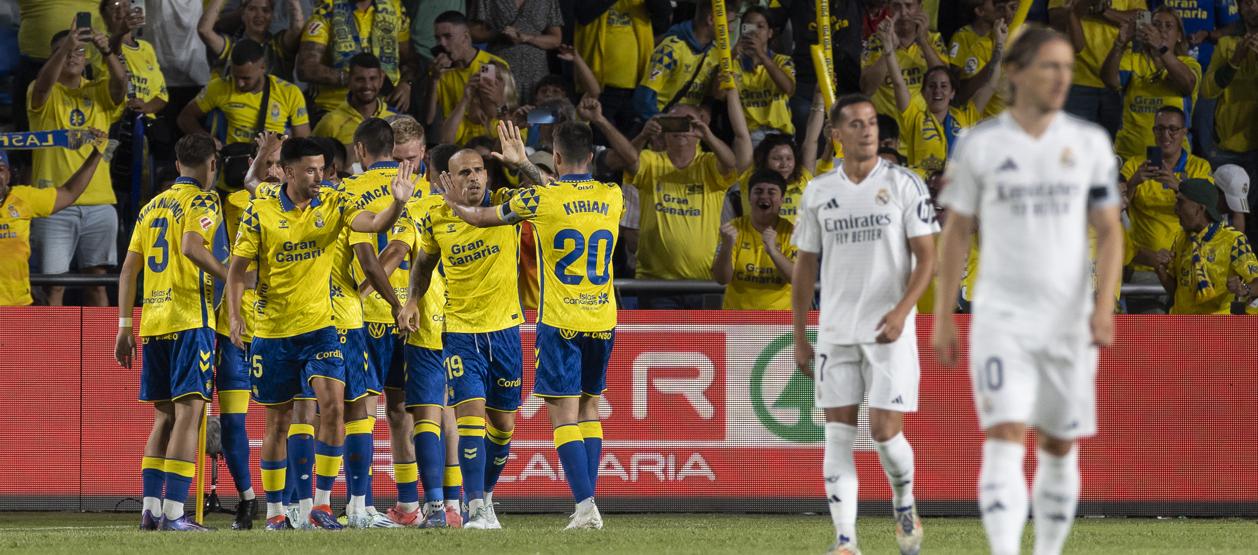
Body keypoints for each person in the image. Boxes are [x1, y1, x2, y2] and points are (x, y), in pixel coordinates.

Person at [932, 27, 1125, 555]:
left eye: (1067, 67)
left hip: (1068, 319)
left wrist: (1103, 305)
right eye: (1050, 66)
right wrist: (945, 313)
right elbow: (955, 231)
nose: (1063, 77)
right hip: (1001, 318)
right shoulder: (979, 144)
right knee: (1006, 435)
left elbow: (1111, 232)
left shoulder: (1087, 143)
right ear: (1015, 74)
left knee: (1059, 444)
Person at [435, 119, 621, 529]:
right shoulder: (613, 194)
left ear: (554, 157)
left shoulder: (541, 201)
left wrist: (454, 206)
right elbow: (565, 190)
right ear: (590, 157)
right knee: (589, 409)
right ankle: (589, 504)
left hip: (561, 320)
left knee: (564, 416)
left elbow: (481, 218)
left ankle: (585, 505)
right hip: (604, 318)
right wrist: (524, 166)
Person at [225, 137, 412, 530]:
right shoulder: (260, 209)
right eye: (310, 170)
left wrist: (397, 203)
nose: (319, 176)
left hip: (323, 327)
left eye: (323, 169)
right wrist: (234, 317)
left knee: (333, 406)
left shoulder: (335, 200)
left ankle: (321, 506)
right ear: (289, 172)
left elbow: (375, 225)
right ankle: (276, 511)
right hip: (274, 330)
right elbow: (237, 269)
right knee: (278, 423)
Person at [791, 94, 937, 555]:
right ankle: (845, 540)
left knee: (884, 432)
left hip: (889, 332)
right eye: (855, 123)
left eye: (872, 122)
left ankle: (904, 499)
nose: (867, 130)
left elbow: (927, 257)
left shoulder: (905, 184)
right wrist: (800, 333)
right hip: (836, 330)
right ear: (837, 134)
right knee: (837, 433)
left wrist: (902, 311)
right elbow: (805, 268)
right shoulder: (818, 191)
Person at [395, 146, 521, 530]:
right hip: (461, 332)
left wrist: (521, 165)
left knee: (502, 427)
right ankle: (476, 507)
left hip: (504, 329)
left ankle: (486, 496)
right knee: (468, 419)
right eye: (464, 172)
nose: (474, 178)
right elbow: (424, 262)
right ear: (446, 180)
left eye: (479, 170)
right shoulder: (436, 217)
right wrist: (413, 299)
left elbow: (550, 194)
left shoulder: (506, 205)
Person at [114, 134, 227, 532]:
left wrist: (125, 325)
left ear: (178, 163)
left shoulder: (150, 207)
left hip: (154, 321)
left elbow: (128, 269)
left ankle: (150, 510)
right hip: (189, 318)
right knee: (189, 416)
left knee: (162, 417)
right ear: (212, 164)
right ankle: (176, 513)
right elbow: (193, 247)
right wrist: (232, 275)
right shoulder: (203, 201)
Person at [607, 80, 753, 308]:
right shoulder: (650, 161)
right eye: (673, 123)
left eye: (688, 123)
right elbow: (628, 158)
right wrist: (643, 136)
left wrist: (708, 135)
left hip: (704, 281)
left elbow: (731, 162)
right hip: (656, 285)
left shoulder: (708, 164)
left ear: (698, 131)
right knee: (662, 346)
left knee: (705, 345)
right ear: (663, 131)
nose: (681, 129)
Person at [28, 25, 127, 307]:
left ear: (87, 59)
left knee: (98, 283)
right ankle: (53, 350)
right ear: (54, 56)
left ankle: (102, 351)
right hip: (54, 203)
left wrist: (107, 51)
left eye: (79, 51)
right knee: (54, 287)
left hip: (100, 203)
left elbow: (121, 87)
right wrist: (66, 46)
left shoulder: (99, 92)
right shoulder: (40, 91)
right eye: (65, 51)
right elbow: (44, 85)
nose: (73, 56)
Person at [1120, 106, 1212, 298]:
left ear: (1184, 133)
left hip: (1191, 266)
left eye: (1173, 129)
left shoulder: (1199, 167)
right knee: (1153, 327)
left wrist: (1179, 186)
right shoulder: (1134, 166)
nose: (1165, 135)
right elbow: (1115, 208)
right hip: (1146, 267)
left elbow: (1208, 212)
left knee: (1189, 327)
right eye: (1159, 129)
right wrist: (1133, 183)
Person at [0, 143, 105, 307]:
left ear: (8, 175)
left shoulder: (23, 197)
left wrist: (96, 156)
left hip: (16, 304)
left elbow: (70, 192)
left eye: (0, 169)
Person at [1100, 6, 1201, 160]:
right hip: (1130, 156)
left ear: (1179, 36)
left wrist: (1161, 47)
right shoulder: (1132, 60)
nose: (1161, 30)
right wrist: (1119, 44)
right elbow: (1110, 81)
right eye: (1156, 24)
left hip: (1171, 158)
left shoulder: (1188, 64)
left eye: (1169, 26)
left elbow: (1187, 84)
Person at [179, 39, 311, 145]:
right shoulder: (220, 88)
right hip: (234, 167)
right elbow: (185, 118)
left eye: (246, 78)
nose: (239, 83)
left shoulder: (289, 93)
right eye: (235, 76)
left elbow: (303, 141)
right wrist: (209, 141)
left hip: (272, 169)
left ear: (263, 68)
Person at [1155, 178, 1258, 313]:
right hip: (1182, 326)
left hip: (1216, 328)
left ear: (1200, 208)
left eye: (1180, 202)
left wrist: (1244, 288)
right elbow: (1177, 291)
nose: (1176, 209)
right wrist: (1161, 271)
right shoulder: (1181, 238)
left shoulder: (1233, 240)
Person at [298, 0, 416, 116]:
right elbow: (306, 68)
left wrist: (406, 84)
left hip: (386, 108)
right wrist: (355, 80)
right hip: (335, 109)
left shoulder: (394, 7)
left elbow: (409, 60)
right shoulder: (327, 8)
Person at [1202, 0, 1258, 241]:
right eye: (1246, 2)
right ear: (1238, 7)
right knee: (1227, 214)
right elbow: (1207, 90)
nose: (1252, 7)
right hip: (1229, 145)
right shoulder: (1226, 44)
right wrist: (1235, 60)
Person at [1050, 0, 1147, 138]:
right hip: (1077, 79)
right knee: (1073, 149)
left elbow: (1144, 21)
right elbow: (1055, 20)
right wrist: (1084, 7)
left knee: (1116, 149)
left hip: (1119, 80)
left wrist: (1102, 12)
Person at [573, 0, 671, 134]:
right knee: (598, 143)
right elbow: (583, 14)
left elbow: (663, 19)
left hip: (636, 88)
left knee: (628, 145)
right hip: (597, 89)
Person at [894, 63, 1000, 179]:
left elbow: (991, 86)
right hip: (924, 191)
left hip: (956, 190)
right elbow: (898, 84)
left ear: (952, 93)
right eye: (932, 86)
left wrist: (997, 58)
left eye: (944, 86)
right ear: (923, 93)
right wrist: (889, 54)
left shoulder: (966, 116)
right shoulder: (914, 118)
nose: (937, 91)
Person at [715, 170, 796, 310]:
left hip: (781, 321)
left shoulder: (792, 232)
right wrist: (727, 247)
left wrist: (773, 251)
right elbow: (722, 279)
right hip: (738, 319)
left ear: (782, 199)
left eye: (771, 192)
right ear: (749, 197)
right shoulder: (733, 228)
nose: (764, 196)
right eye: (758, 191)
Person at [632, 2, 722, 121]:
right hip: (662, 131)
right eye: (730, 23)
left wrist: (707, 107)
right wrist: (666, 126)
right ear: (711, 20)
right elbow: (643, 100)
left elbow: (711, 94)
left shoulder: (716, 54)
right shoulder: (670, 50)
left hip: (689, 133)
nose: (731, 29)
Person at [859, 0, 948, 119]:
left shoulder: (933, 39)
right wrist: (889, 46)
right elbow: (867, 89)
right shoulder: (876, 41)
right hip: (889, 129)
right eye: (897, 6)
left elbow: (947, 82)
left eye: (909, 5)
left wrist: (923, 43)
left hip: (925, 127)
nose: (903, 13)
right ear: (889, 10)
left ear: (920, 8)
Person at [426, 10, 511, 126]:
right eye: (438, 38)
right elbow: (429, 119)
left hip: (489, 138)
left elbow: (507, 113)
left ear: (465, 37)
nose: (442, 43)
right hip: (455, 141)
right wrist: (434, 79)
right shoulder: (439, 71)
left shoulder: (491, 64)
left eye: (447, 36)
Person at [470, 0, 563, 104]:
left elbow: (556, 40)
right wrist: (501, 33)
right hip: (497, 67)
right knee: (493, 111)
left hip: (536, 71)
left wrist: (526, 38)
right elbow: (472, 33)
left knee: (535, 114)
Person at [313, 53, 397, 166]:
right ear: (349, 80)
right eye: (360, 79)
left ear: (381, 79)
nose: (367, 85)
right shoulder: (330, 122)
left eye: (373, 79)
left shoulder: (395, 120)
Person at [199, 0, 306, 79]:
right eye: (252, 9)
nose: (259, 15)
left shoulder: (278, 46)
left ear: (272, 16)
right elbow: (204, 30)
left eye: (265, 10)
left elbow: (297, 27)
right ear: (243, 14)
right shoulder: (231, 47)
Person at [735, 6, 796, 141]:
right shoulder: (734, 63)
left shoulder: (782, 61)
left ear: (770, 33)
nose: (754, 32)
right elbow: (718, 95)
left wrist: (761, 56)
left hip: (781, 133)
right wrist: (732, 55)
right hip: (748, 136)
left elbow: (788, 88)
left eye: (760, 27)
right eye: (749, 27)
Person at [949, 0, 1018, 113]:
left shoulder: (1009, 35)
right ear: (980, 11)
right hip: (980, 118)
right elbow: (959, 88)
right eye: (994, 4)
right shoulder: (964, 37)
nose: (1004, 10)